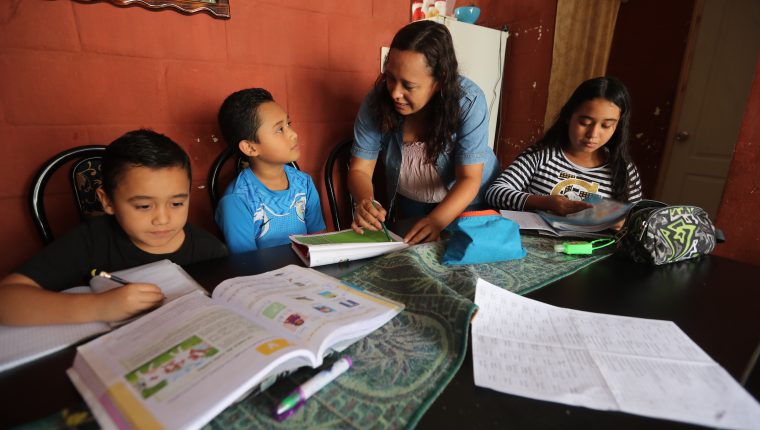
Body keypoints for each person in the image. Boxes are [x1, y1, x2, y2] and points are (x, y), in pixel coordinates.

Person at [0, 129, 228, 326]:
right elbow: (6, 300)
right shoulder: (90, 241)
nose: (162, 218)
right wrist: (98, 307)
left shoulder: (209, 250)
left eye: (177, 203)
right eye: (143, 206)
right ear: (107, 201)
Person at [349, 20, 500, 245]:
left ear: (439, 81)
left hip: (468, 200)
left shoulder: (468, 101)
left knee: (464, 265)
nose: (395, 93)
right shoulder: (376, 101)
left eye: (408, 86)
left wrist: (438, 220)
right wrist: (365, 201)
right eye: (390, 78)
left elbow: (469, 178)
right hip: (413, 200)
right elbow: (360, 169)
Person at [485, 76, 642, 217]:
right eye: (584, 123)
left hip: (592, 248)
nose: (593, 134)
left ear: (618, 127)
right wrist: (545, 202)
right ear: (568, 116)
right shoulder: (542, 155)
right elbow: (495, 193)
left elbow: (637, 219)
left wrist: (621, 220)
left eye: (606, 125)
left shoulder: (623, 170)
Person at [215, 88, 325, 253]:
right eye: (279, 129)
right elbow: (246, 265)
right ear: (250, 147)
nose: (293, 134)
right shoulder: (237, 201)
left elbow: (319, 241)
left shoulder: (304, 184)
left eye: (288, 124)